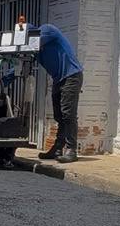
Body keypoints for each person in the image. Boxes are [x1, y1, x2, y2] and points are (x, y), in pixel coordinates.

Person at [27, 24, 84, 163]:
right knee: (59, 116)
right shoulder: (35, 51)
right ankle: (58, 149)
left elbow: (33, 44)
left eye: (27, 37)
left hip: (71, 75)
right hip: (58, 79)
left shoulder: (47, 30)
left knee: (68, 114)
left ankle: (71, 150)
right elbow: (24, 63)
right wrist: (5, 79)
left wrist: (17, 47)